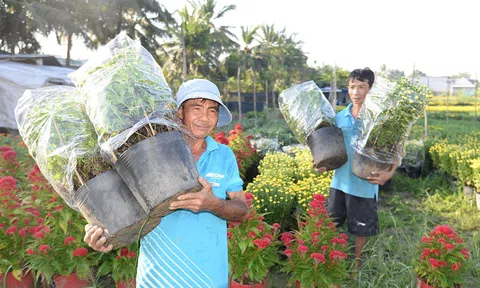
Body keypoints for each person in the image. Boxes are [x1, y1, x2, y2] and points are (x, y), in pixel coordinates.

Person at [84, 79, 250, 288]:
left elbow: (242, 211)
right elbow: (113, 205)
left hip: (209, 278)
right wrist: (100, 235)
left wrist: (213, 204)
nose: (204, 118)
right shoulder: (148, 153)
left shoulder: (224, 155)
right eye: (196, 108)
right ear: (180, 112)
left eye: (212, 111)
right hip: (158, 278)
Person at [315, 68, 396, 271]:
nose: (356, 92)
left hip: (364, 183)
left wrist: (390, 172)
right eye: (352, 87)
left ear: (370, 88)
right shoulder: (339, 117)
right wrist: (323, 164)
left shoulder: (379, 118)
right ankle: (328, 262)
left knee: (361, 229)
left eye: (361, 87)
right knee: (331, 223)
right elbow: (332, 147)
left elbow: (395, 147)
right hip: (340, 182)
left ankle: (357, 268)